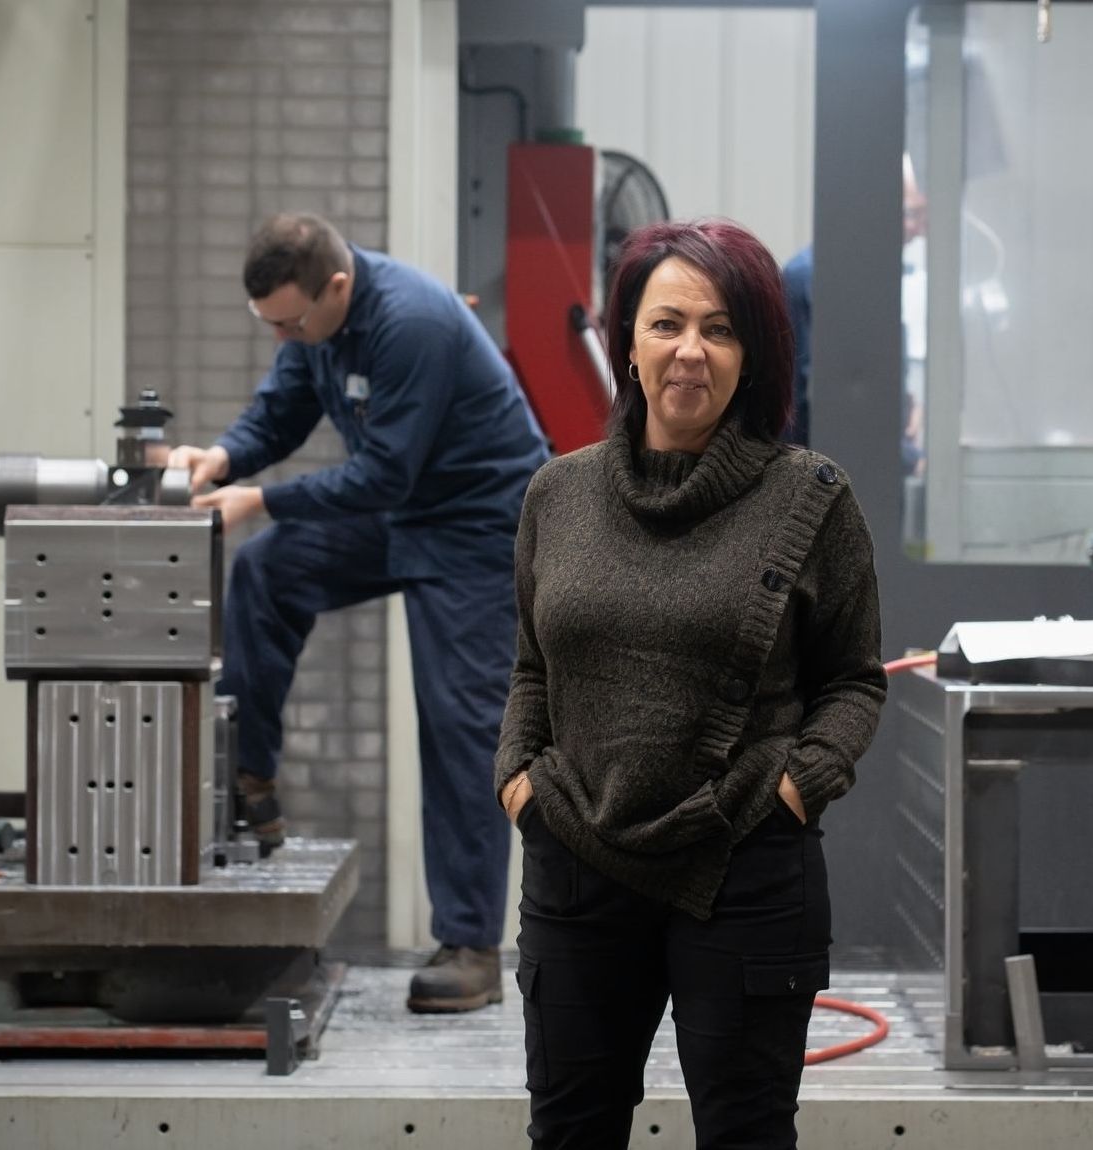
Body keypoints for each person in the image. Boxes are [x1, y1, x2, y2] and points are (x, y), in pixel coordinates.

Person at [495, 218, 887, 1149]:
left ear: (751, 355)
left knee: (746, 1137)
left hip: (744, 863)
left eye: (719, 329)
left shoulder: (811, 498)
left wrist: (797, 787)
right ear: (627, 342)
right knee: (570, 1134)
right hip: (577, 861)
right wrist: (520, 781)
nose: (690, 352)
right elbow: (530, 668)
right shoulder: (559, 494)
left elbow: (855, 681)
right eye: (667, 323)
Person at [168, 213, 549, 1014]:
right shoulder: (315, 326)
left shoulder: (410, 323)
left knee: (458, 721)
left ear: (336, 287)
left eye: (291, 322)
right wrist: (224, 457)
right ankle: (252, 779)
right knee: (268, 571)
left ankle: (472, 946)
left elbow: (382, 477)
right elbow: (279, 410)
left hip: (479, 522)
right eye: (269, 323)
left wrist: (261, 497)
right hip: (407, 508)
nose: (283, 338)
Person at [782, 154, 928, 471]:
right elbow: (836, 399)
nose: (918, 229)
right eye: (911, 213)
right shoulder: (811, 278)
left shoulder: (875, 276)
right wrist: (907, 457)